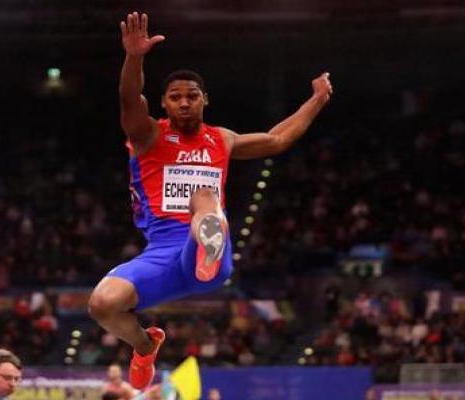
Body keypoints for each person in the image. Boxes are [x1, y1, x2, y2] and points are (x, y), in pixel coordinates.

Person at [88, 11, 333, 390]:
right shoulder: (147, 136)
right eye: (175, 98)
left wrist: (316, 100)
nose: (184, 103)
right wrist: (134, 56)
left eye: (191, 96)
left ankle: (209, 248)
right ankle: (144, 345)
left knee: (203, 196)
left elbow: (278, 139)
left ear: (205, 100)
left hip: (208, 246)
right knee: (101, 304)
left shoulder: (223, 139)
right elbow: (127, 97)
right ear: (164, 104)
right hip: (162, 254)